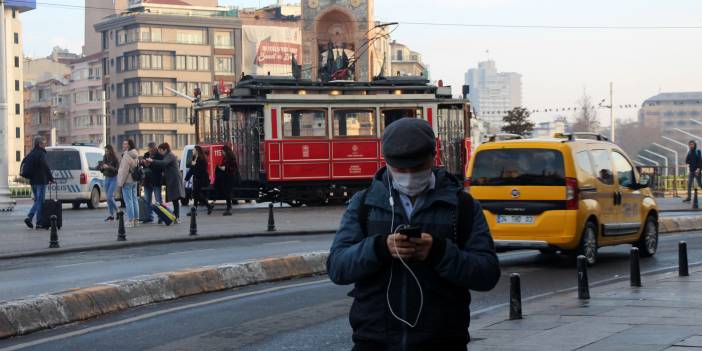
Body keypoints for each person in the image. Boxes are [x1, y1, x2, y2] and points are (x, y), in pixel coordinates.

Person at [327, 118, 501, 351]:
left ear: (433, 157)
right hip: (374, 341)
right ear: (387, 162)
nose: (409, 176)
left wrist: (438, 252)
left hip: (442, 342)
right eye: (400, 169)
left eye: (417, 168)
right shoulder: (364, 203)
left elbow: (487, 273)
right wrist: (379, 248)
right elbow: (337, 267)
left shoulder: (462, 206)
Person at [145, 143, 185, 221]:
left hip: (174, 180)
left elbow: (163, 163)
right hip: (172, 179)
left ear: (165, 149)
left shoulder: (169, 155)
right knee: (175, 199)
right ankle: (176, 216)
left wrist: (152, 160)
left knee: (175, 199)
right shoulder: (167, 155)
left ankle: (177, 217)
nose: (159, 152)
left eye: (160, 150)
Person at [22, 136, 55, 229]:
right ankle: (31, 217)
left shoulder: (31, 154)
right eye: (44, 143)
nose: (45, 144)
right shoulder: (41, 154)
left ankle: (39, 223)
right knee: (40, 201)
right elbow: (45, 167)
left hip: (33, 182)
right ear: (39, 144)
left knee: (38, 201)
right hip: (41, 181)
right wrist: (51, 178)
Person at [117, 139, 140, 228]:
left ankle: (130, 220)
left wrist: (120, 183)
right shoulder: (135, 154)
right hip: (134, 180)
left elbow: (124, 171)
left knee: (128, 201)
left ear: (129, 145)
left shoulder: (127, 155)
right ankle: (136, 220)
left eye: (125, 144)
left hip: (127, 180)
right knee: (134, 200)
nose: (123, 145)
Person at [185, 145, 213, 215]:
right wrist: (186, 178)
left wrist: (194, 165)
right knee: (196, 195)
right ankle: (203, 207)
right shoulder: (194, 158)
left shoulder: (202, 159)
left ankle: (207, 206)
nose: (192, 151)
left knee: (197, 194)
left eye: (194, 150)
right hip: (196, 179)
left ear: (197, 151)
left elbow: (202, 170)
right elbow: (191, 170)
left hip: (201, 179)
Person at [141, 142, 164, 223]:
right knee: (147, 200)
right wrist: (143, 162)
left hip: (156, 180)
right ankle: (149, 217)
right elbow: (143, 165)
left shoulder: (159, 156)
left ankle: (161, 217)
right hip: (147, 181)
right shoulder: (146, 154)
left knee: (158, 200)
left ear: (155, 148)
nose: (150, 151)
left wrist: (150, 164)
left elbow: (160, 168)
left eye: (152, 149)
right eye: (149, 149)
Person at [215, 144, 239, 216]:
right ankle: (228, 208)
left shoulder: (231, 158)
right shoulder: (226, 158)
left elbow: (231, 168)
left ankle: (229, 208)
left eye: (223, 151)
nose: (222, 153)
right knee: (227, 193)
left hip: (230, 178)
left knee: (228, 193)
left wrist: (222, 168)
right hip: (226, 178)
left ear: (226, 151)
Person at [99, 145, 120, 222]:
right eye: (105, 151)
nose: (106, 152)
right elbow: (103, 168)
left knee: (109, 197)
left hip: (113, 178)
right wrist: (101, 168)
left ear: (110, 151)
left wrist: (108, 167)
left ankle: (118, 211)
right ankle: (111, 215)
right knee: (108, 199)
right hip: (107, 178)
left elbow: (117, 170)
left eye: (107, 151)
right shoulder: (105, 157)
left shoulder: (115, 158)